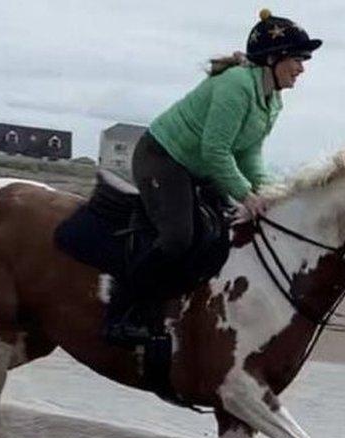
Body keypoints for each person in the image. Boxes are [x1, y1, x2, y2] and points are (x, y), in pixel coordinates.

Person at [104, 9, 323, 347]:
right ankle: (121, 311)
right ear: (273, 58)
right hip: (162, 159)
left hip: (200, 167)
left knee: (223, 234)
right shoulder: (236, 86)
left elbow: (248, 154)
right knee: (178, 237)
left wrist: (270, 194)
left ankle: (187, 312)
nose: (302, 67)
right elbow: (215, 150)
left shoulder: (272, 99)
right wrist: (246, 196)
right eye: (298, 58)